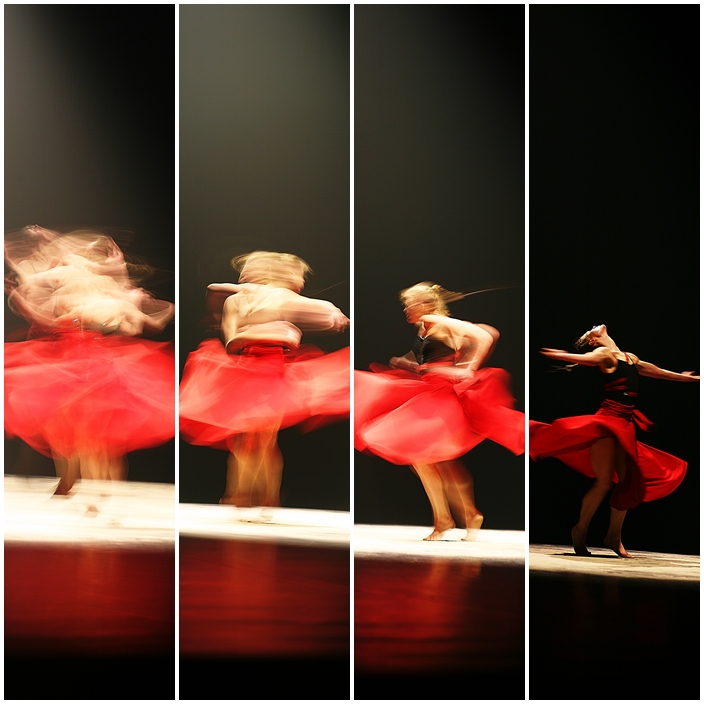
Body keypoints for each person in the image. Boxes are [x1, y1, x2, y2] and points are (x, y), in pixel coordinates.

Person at [4, 225, 175, 494]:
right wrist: (22, 283)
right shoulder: (66, 284)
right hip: (65, 358)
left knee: (94, 433)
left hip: (94, 362)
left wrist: (122, 311)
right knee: (61, 426)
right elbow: (44, 309)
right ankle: (68, 481)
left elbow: (131, 325)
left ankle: (98, 488)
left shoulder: (104, 289)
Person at [355, 282, 524, 541]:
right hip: (429, 393)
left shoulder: (438, 321)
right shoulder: (425, 327)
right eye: (405, 304)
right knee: (436, 461)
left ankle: (447, 519)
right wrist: (407, 361)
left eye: (410, 303)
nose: (406, 309)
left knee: (425, 458)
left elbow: (485, 336)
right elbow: (430, 356)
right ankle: (464, 515)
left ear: (426, 304)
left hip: (442, 397)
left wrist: (468, 367)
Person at [179, 251, 349, 508]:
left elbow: (321, 309)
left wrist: (333, 315)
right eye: (298, 275)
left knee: (264, 438)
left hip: (273, 372)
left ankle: (264, 497)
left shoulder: (283, 297)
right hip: (244, 371)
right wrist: (272, 332)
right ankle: (241, 493)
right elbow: (231, 342)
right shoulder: (235, 302)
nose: (301, 282)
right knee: (243, 439)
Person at [530, 324, 699, 558]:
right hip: (608, 423)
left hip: (625, 424)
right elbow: (588, 359)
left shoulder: (630, 358)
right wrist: (562, 356)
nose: (594, 326)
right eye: (591, 330)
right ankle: (580, 529)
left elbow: (658, 372)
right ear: (593, 340)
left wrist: (685, 378)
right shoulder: (603, 353)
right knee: (603, 483)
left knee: (626, 482)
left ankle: (613, 536)